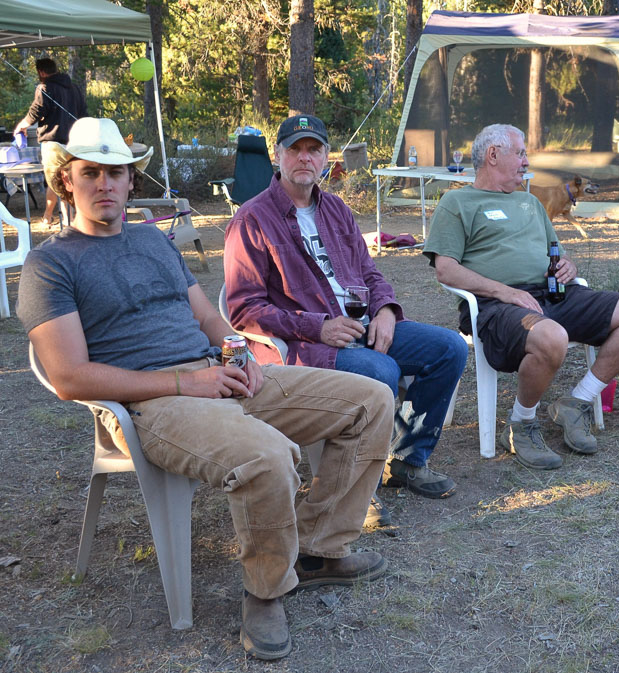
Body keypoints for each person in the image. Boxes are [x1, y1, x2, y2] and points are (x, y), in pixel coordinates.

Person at [17, 117, 395, 661]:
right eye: (90, 172)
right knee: (266, 456)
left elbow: (209, 320)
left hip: (213, 376)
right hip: (151, 403)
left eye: (116, 173)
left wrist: (240, 352)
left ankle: (318, 549)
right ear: (66, 182)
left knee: (370, 399)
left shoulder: (154, 240)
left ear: (130, 182)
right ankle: (266, 590)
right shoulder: (50, 263)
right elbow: (69, 377)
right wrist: (185, 382)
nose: (105, 184)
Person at [224, 114, 468, 505]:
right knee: (381, 371)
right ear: (278, 156)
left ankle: (406, 459)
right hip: (306, 345)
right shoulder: (251, 219)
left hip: (362, 325)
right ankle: (352, 490)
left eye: (314, 149)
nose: (305, 158)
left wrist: (387, 309)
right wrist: (317, 327)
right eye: (295, 149)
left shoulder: (336, 209)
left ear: (325, 158)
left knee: (449, 348)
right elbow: (244, 309)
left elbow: (369, 273)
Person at [423, 123, 619, 470]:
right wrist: (505, 291)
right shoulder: (457, 202)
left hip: (554, 295)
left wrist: (568, 267)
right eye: (520, 153)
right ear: (493, 155)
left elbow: (555, 255)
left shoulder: (531, 203)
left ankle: (576, 403)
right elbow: (446, 269)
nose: (526, 161)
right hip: (498, 306)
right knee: (551, 336)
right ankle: (521, 423)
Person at [13, 57, 87, 225]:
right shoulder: (74, 88)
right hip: (75, 141)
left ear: (41, 72)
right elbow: (83, 113)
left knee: (56, 181)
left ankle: (68, 222)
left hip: (53, 142)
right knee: (70, 180)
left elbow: (36, 111)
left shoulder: (45, 87)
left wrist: (22, 126)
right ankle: (49, 216)